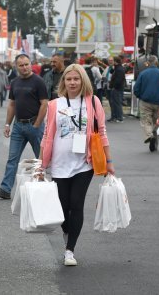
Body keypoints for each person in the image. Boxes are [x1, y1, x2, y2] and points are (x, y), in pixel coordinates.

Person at [40, 64, 115, 266]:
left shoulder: (93, 102)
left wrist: (108, 162)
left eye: (76, 79)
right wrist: (42, 164)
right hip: (59, 163)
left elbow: (102, 132)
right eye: (68, 79)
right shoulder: (55, 104)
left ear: (83, 81)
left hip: (84, 163)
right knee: (63, 209)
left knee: (76, 204)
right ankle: (68, 232)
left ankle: (70, 250)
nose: (72, 82)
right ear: (63, 81)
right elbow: (48, 135)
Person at [0, 54, 48, 199]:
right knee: (12, 159)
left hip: (34, 125)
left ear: (30, 64)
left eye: (26, 64)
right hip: (18, 126)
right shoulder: (15, 82)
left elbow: (44, 103)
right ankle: (5, 189)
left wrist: (37, 124)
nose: (24, 67)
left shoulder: (38, 81)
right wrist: (7, 124)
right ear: (16, 66)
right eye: (21, 65)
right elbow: (12, 104)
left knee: (42, 159)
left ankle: (48, 187)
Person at [133, 55, 159, 152]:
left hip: (145, 101)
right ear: (156, 63)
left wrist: (140, 96)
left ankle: (149, 135)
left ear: (148, 63)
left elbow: (136, 89)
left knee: (146, 120)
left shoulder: (143, 74)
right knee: (156, 122)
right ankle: (155, 145)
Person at [109, 56, 126, 123]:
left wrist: (114, 86)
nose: (111, 62)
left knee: (117, 103)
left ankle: (119, 117)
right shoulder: (117, 68)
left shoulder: (119, 69)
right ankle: (117, 116)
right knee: (115, 103)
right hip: (117, 88)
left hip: (117, 88)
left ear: (115, 61)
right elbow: (111, 72)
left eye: (112, 60)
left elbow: (118, 80)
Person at [102, 56, 115, 121]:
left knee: (113, 102)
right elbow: (103, 75)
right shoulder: (107, 68)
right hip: (107, 87)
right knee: (110, 102)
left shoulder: (114, 68)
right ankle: (112, 115)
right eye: (109, 60)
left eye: (111, 60)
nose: (110, 62)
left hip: (112, 87)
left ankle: (114, 115)